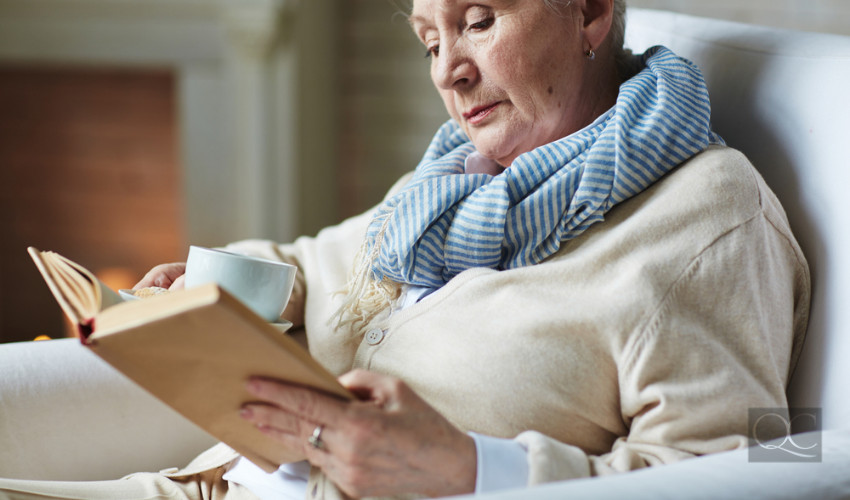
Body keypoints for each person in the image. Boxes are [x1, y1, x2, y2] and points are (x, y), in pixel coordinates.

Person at [0, 0, 810, 499]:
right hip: (205, 480)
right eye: (429, 40)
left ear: (590, 10)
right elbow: (324, 266)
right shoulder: (460, 181)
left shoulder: (710, 220)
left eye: (479, 22)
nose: (449, 74)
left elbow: (736, 473)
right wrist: (210, 286)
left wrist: (465, 468)